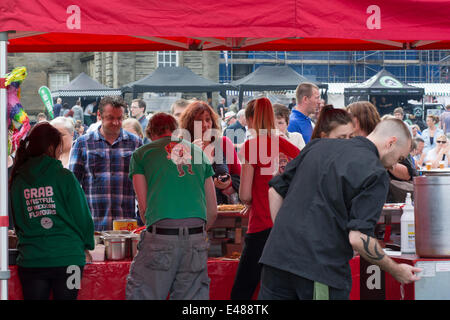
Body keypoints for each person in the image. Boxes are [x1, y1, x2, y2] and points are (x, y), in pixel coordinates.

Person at [259, 119, 421, 300]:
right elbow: (359, 238)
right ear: (390, 143)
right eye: (399, 158)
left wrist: (285, 236)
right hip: (319, 268)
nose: (393, 166)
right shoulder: (375, 173)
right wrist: (396, 270)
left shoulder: (318, 146)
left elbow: (274, 191)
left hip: (276, 259)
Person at [126, 113, 217, 300]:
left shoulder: (142, 154)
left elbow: (144, 209)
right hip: (196, 237)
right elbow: (213, 210)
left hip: (161, 234)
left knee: (144, 294)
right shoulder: (199, 153)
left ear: (150, 133)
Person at [9, 122, 94, 300]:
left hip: (32, 259)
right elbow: (82, 217)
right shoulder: (65, 177)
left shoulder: (17, 179)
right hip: (69, 259)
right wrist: (88, 244)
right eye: (58, 148)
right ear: (50, 147)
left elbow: (17, 221)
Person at [230, 98, 300, 300]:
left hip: (261, 223)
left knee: (243, 290)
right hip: (287, 226)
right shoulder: (287, 146)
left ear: (251, 119)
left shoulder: (251, 146)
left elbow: (244, 194)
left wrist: (249, 202)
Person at [69, 96, 143, 230]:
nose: (116, 122)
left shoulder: (136, 143)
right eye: (110, 118)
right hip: (92, 225)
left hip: (126, 227)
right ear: (99, 115)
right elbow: (72, 187)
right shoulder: (82, 143)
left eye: (120, 118)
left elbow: (144, 185)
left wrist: (140, 218)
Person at [179, 101, 241, 205]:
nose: (205, 125)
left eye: (208, 119)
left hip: (223, 211)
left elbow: (239, 178)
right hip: (192, 210)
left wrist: (228, 183)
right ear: (190, 124)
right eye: (199, 121)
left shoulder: (223, 143)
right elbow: (178, 184)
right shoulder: (182, 147)